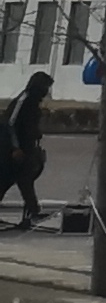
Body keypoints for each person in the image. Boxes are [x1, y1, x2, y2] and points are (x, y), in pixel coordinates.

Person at [2, 71, 49, 230]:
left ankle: (32, 212)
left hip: (26, 148)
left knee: (24, 179)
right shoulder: (24, 100)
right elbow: (10, 123)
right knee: (9, 180)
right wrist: (15, 147)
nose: (46, 92)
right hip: (11, 148)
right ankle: (33, 212)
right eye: (45, 87)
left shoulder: (34, 103)